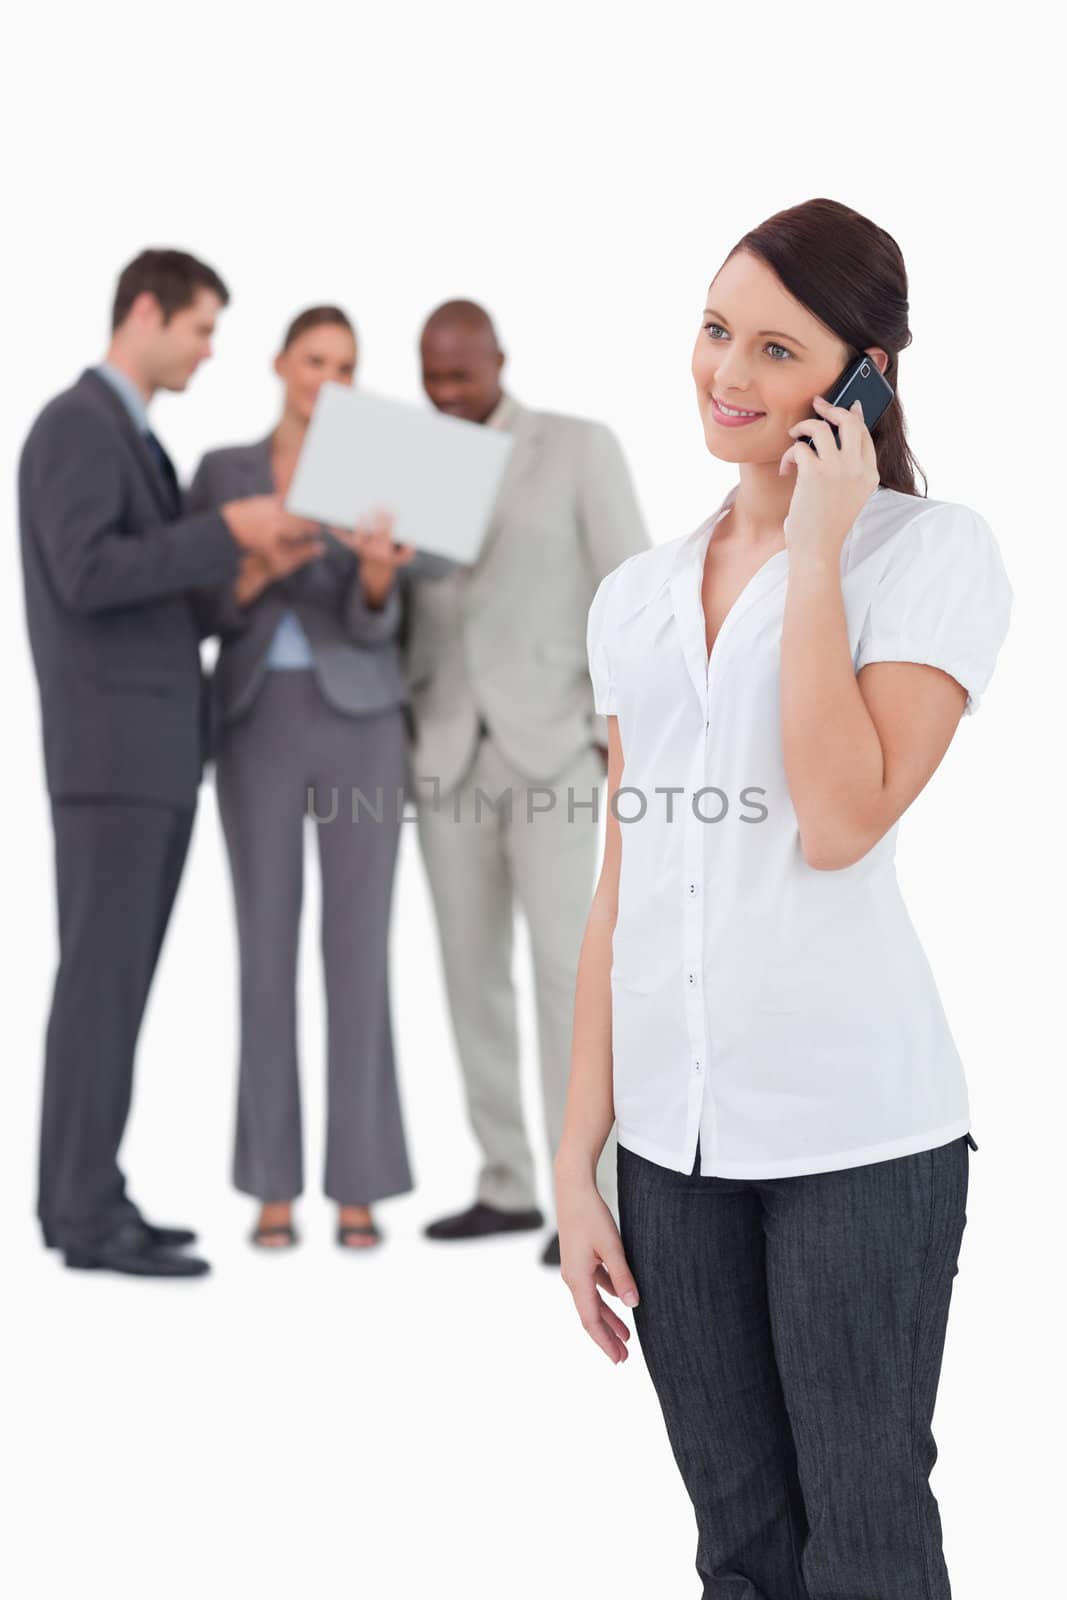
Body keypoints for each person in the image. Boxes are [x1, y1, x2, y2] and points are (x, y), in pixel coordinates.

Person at [555, 197, 1013, 1598]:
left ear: (861, 376)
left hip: (854, 1142)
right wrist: (575, 1162)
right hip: (671, 1151)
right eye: (710, 332)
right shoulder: (632, 597)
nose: (724, 376)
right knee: (738, 1541)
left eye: (771, 348)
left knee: (862, 1525)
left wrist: (815, 546)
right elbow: (618, 883)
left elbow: (838, 818)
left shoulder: (927, 560)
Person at [18, 248, 320, 1278]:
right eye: (198, 329)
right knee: (100, 987)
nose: (206, 350)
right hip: (112, 754)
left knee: (113, 987)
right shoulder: (76, 425)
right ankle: (86, 1211)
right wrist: (221, 528)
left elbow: (160, 602)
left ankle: (82, 1198)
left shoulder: (133, 439)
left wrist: (247, 567)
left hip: (147, 750)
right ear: (144, 311)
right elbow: (87, 570)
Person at [188, 305, 451, 1251]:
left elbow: (379, 623)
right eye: (313, 360)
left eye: (344, 365)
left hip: (362, 723)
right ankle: (269, 1183)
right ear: (280, 363)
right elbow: (200, 604)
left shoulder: (378, 467)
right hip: (257, 715)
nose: (326, 379)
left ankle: (359, 1182)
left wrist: (376, 575)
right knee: (263, 948)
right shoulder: (224, 470)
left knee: (358, 951)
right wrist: (255, 568)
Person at [408, 300, 649, 1266]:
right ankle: (505, 1182)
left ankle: (584, 1194)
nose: (444, 391)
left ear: (497, 361)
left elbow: (631, 591)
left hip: (552, 745)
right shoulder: (407, 457)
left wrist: (607, 737)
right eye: (430, 375)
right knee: (469, 976)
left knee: (566, 973)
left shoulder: (576, 447)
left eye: (460, 374)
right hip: (441, 748)